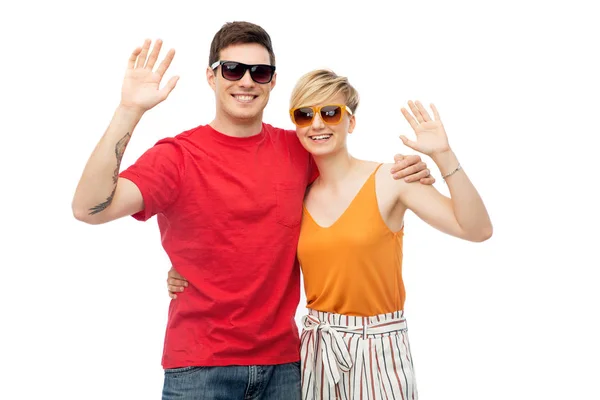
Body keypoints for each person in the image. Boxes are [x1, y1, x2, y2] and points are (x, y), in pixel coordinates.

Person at [71, 21, 433, 399]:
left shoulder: (299, 150)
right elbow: (89, 208)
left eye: (259, 71)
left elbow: (350, 184)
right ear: (211, 78)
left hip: (286, 368)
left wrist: (405, 171)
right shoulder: (176, 157)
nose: (246, 81)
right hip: (199, 370)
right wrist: (129, 110)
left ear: (272, 82)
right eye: (232, 69)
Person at [168, 69, 493, 399]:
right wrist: (186, 269)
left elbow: (477, 229)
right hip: (316, 350)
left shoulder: (391, 179)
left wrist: (443, 156)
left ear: (350, 122)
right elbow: (246, 240)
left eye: (330, 112)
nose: (318, 124)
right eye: (305, 115)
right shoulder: (299, 193)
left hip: (379, 348)